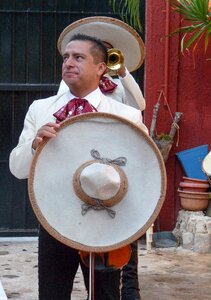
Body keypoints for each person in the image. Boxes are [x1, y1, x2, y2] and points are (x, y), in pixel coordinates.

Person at [9, 33, 148, 299]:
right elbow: (17, 169)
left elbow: (144, 171)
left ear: (100, 68)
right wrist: (34, 145)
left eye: (79, 57)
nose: (69, 63)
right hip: (54, 221)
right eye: (66, 57)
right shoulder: (41, 109)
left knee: (105, 295)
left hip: (106, 223)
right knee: (52, 294)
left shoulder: (127, 116)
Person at [57, 41, 145, 300]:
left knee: (123, 234)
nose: (72, 61)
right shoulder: (74, 82)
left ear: (102, 63)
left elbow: (138, 103)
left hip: (114, 164)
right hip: (83, 161)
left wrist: (123, 73)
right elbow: (65, 102)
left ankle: (129, 288)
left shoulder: (117, 86)